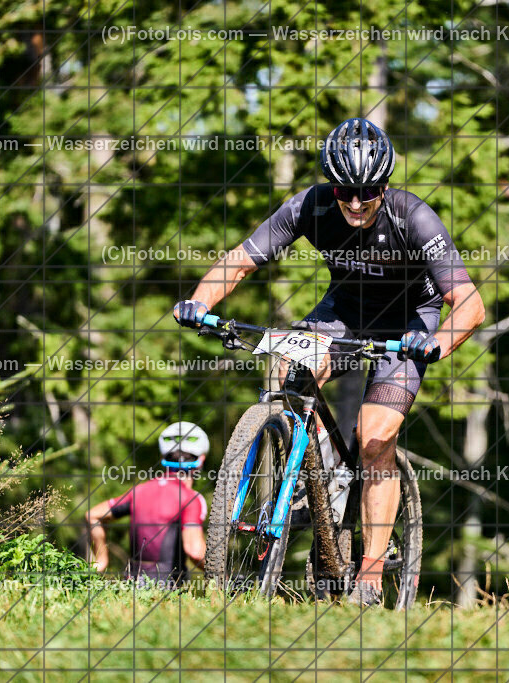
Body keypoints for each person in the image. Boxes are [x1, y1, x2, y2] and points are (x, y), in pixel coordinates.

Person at [174, 118, 485, 606]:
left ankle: (371, 569)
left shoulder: (413, 216)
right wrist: (199, 303)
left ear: (384, 184)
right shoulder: (312, 206)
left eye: (368, 191)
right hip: (344, 313)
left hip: (408, 324)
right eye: (345, 191)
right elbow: (240, 259)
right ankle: (305, 471)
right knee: (285, 365)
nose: (356, 203)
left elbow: (470, 303)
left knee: (375, 435)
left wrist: (436, 343)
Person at [86, 421, 208, 586]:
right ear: (201, 460)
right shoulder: (191, 498)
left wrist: (101, 560)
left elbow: (92, 515)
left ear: (163, 458)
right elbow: (194, 550)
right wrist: (224, 576)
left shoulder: (139, 491)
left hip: (131, 585)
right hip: (166, 591)